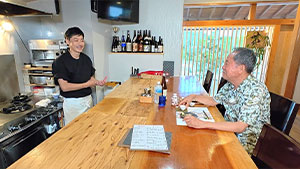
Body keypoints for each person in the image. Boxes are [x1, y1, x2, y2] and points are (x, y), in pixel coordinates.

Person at [180, 48, 270, 155]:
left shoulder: (256, 91)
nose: (223, 67)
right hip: (228, 133)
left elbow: (240, 127)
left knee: (200, 149)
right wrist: (193, 96)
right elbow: (213, 101)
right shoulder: (231, 84)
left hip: (245, 145)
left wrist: (202, 124)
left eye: (227, 63)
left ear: (241, 68)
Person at [52, 27, 107, 125]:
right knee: (75, 132)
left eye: (82, 40)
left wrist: (97, 82)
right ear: (68, 41)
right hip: (73, 104)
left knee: (88, 129)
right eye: (76, 40)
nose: (80, 43)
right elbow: (65, 87)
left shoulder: (86, 59)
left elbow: (89, 77)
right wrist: (87, 84)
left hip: (88, 100)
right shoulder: (60, 62)